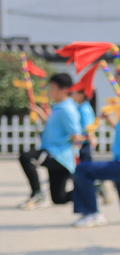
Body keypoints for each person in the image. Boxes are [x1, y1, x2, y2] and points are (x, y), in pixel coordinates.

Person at [70, 79, 120, 227]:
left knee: (82, 169)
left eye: (116, 78)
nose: (113, 82)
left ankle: (92, 213)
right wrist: (110, 120)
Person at [18, 73, 82, 208]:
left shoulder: (67, 109)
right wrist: (40, 114)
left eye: (52, 88)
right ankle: (91, 189)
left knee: (26, 157)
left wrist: (76, 153)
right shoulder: (58, 107)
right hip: (54, 153)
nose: (50, 91)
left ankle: (37, 193)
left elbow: (76, 135)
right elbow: (54, 127)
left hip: (58, 155)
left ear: (64, 90)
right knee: (59, 198)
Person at [71, 88, 96, 164]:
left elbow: (88, 128)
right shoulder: (82, 107)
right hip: (82, 144)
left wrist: (90, 139)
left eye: (74, 93)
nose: (72, 95)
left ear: (81, 95)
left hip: (83, 145)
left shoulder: (84, 109)